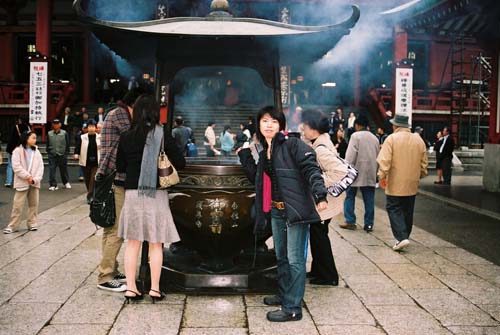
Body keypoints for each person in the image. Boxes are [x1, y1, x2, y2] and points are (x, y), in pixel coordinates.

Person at [238, 106, 328, 322]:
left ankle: (292, 307)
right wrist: (243, 155)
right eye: (265, 121)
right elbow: (257, 178)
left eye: (274, 122)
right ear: (258, 125)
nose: (269, 125)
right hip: (277, 210)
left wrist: (320, 194)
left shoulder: (293, 144)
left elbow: (311, 168)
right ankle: (284, 294)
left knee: (295, 259)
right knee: (281, 256)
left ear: (281, 126)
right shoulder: (265, 150)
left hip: (295, 210)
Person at [116, 94, 185, 303]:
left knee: (133, 243)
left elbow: (120, 167)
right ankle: (154, 289)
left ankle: (131, 288)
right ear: (155, 112)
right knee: (156, 243)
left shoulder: (126, 136)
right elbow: (180, 163)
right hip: (157, 194)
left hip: (133, 194)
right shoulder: (162, 135)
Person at [96, 89, 142, 292]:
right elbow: (135, 138)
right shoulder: (121, 115)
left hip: (110, 176)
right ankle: (105, 276)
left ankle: (111, 270)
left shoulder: (116, 113)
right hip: (116, 177)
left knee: (110, 228)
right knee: (117, 230)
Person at [301, 109, 345, 286]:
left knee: (319, 237)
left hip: (325, 202)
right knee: (318, 235)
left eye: (305, 125)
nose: (303, 129)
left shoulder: (320, 149)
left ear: (313, 128)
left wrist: (317, 180)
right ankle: (319, 271)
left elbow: (340, 171)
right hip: (325, 200)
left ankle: (329, 276)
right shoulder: (321, 142)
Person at [377, 114, 428, 251]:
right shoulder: (418, 140)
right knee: (407, 210)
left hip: (395, 182)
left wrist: (381, 177)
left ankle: (401, 237)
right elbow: (424, 165)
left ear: (395, 125)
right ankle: (405, 235)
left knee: (393, 207)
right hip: (412, 182)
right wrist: (418, 175)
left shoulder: (391, 139)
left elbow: (385, 162)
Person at [341, 114, 380, 232]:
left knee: (349, 196)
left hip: (355, 171)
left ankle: (350, 220)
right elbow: (378, 155)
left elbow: (350, 156)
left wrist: (346, 169)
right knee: (369, 198)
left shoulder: (355, 136)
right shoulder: (375, 138)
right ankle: (369, 224)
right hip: (370, 171)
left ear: (357, 125)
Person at [3, 131, 44, 234]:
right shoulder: (17, 151)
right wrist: (27, 176)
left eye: (35, 138)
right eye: (33, 138)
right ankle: (13, 225)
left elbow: (40, 167)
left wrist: (36, 178)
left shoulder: (37, 152)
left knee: (34, 204)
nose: (35, 140)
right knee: (17, 205)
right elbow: (16, 167)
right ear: (26, 138)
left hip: (34, 182)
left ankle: (32, 223)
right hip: (22, 181)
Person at [74, 119, 100, 203]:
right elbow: (78, 146)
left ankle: (90, 196)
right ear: (87, 128)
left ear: (96, 128)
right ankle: (91, 193)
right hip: (85, 161)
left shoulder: (100, 137)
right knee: (87, 179)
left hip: (96, 161)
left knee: (93, 178)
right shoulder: (82, 137)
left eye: (93, 126)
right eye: (90, 126)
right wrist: (76, 153)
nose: (91, 128)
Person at [5, 115, 31, 188]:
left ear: (20, 120)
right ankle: (21, 181)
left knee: (10, 165)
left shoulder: (16, 127)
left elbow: (11, 138)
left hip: (12, 148)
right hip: (22, 148)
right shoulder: (28, 128)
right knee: (22, 165)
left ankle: (8, 182)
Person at [47, 119, 71, 191]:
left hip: (62, 154)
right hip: (52, 154)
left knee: (63, 169)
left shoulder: (64, 133)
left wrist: (66, 153)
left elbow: (67, 143)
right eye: (54, 124)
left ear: (60, 124)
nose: (56, 125)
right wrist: (49, 151)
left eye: (57, 123)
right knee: (52, 169)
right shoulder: (49, 133)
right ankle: (53, 184)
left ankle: (66, 182)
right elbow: (47, 143)